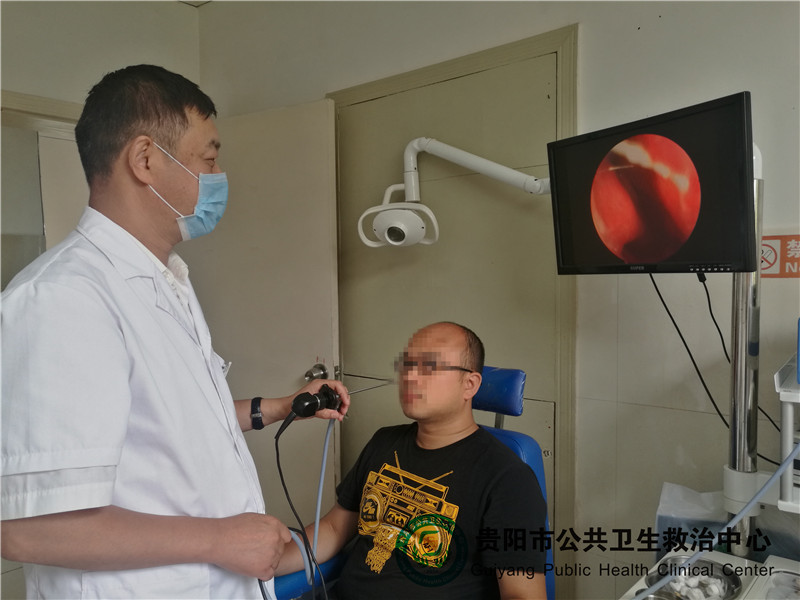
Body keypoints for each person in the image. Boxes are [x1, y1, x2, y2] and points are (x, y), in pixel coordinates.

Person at [0, 64, 349, 600]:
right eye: (208, 159)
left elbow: (166, 424)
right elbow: (31, 529)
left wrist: (278, 407)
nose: (218, 176)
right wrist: (219, 539)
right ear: (145, 160)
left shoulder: (166, 282)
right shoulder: (64, 298)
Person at [277, 321, 548, 599]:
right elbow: (335, 528)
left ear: (469, 385)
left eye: (430, 366)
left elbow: (522, 595)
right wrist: (272, 559)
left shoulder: (508, 479)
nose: (411, 376)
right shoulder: (384, 442)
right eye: (407, 364)